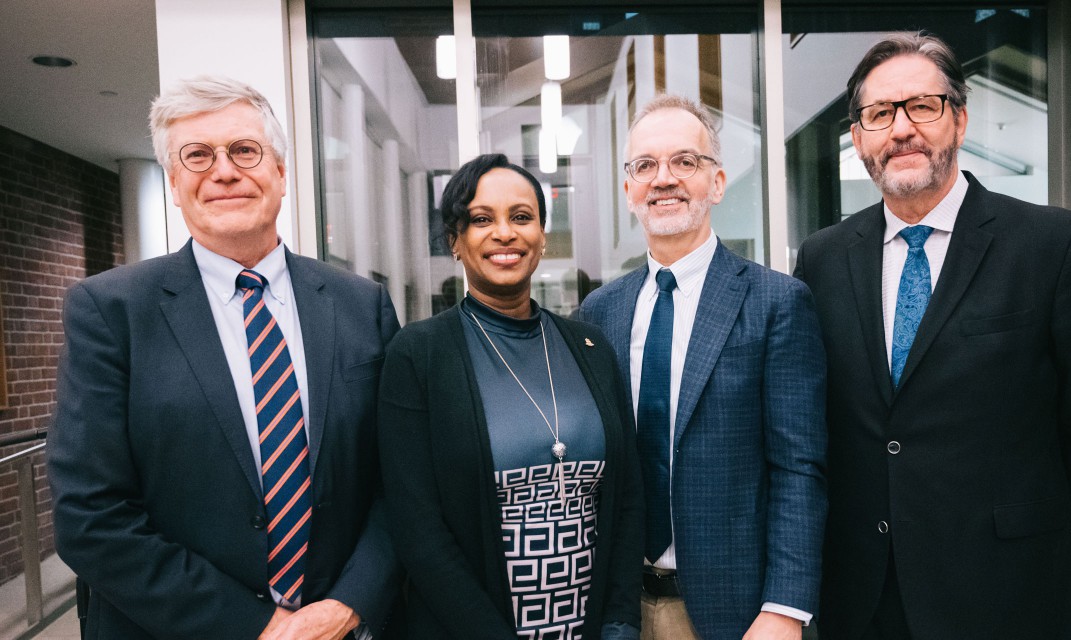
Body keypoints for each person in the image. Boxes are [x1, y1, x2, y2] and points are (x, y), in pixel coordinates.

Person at [794, 32, 1071, 639]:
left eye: (922, 106)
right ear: (858, 138)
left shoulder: (1052, 245)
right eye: (879, 114)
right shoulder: (822, 259)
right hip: (864, 597)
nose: (900, 129)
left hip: (1009, 591)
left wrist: (1033, 524)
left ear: (959, 119)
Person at [48, 76, 401, 640]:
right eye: (197, 156)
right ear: (173, 183)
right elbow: (91, 517)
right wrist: (257, 627)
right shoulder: (109, 311)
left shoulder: (362, 306)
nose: (224, 171)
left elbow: (397, 482)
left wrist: (347, 605)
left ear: (281, 173)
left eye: (244, 150)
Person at [578, 94, 828, 640]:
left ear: (715, 182)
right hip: (617, 609)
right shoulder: (598, 313)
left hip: (737, 615)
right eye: (645, 166)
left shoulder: (776, 302)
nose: (663, 178)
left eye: (684, 162)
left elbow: (799, 468)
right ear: (629, 192)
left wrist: (785, 608)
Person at [377, 154, 643, 639]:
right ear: (455, 241)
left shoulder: (590, 347)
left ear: (542, 235)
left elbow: (626, 500)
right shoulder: (418, 354)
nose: (505, 233)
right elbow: (419, 532)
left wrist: (622, 623)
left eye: (522, 217)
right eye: (482, 219)